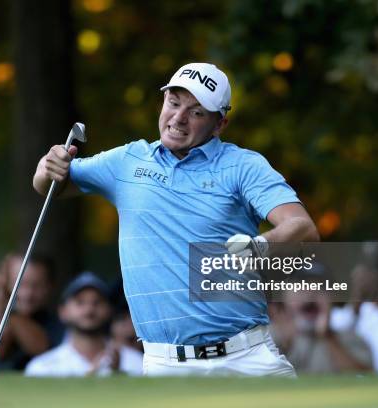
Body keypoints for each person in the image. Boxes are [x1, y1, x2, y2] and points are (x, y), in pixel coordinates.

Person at [33, 62, 319, 376]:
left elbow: (303, 228)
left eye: (196, 112)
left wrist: (254, 249)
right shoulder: (127, 161)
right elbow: (49, 187)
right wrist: (49, 166)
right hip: (164, 363)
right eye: (174, 103)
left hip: (245, 357)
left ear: (219, 124)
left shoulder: (244, 166)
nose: (178, 118)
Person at [24, 272, 143, 377]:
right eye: (80, 302)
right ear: (62, 311)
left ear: (109, 310)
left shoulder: (137, 363)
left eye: (97, 302)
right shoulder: (42, 368)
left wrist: (119, 376)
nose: (89, 309)